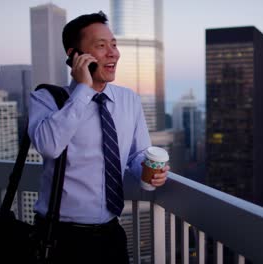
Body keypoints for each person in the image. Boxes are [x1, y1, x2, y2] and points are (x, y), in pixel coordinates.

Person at [28, 11, 170, 263]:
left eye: (113, 45)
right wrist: (82, 90)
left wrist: (148, 169)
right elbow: (49, 146)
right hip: (60, 237)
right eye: (101, 46)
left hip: (111, 232)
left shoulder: (128, 100)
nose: (113, 53)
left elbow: (137, 154)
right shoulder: (46, 99)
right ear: (75, 56)